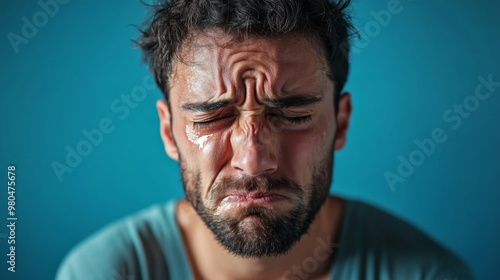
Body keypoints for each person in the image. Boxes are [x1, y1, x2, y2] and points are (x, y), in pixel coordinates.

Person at [56, 0, 474, 279]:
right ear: (169, 131)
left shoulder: (426, 272)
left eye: (293, 115)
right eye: (213, 118)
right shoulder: (104, 271)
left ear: (341, 123)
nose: (253, 161)